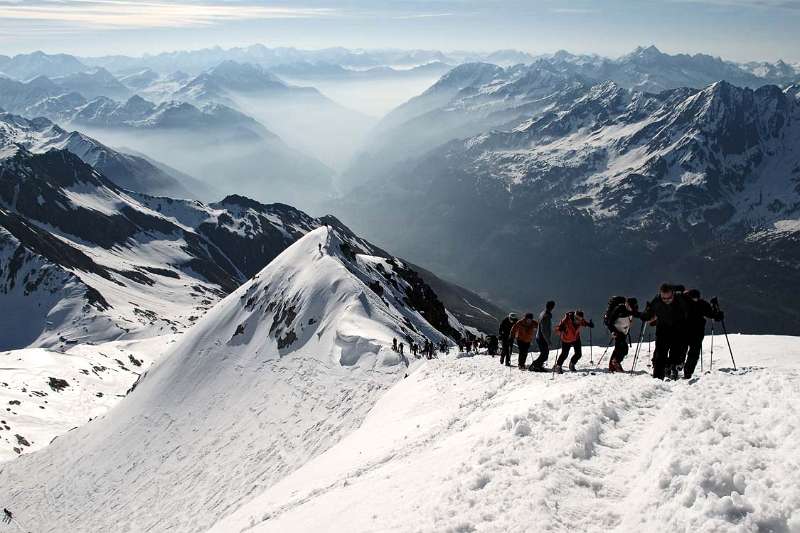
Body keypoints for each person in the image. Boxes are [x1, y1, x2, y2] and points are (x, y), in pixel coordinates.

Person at [639, 283, 689, 380]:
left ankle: (672, 370)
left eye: (668, 298)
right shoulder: (657, 300)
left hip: (678, 329)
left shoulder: (680, 299)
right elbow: (650, 312)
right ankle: (658, 377)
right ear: (660, 294)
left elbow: (689, 310)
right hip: (663, 329)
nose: (666, 300)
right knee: (660, 353)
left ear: (672, 294)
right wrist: (646, 314)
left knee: (676, 351)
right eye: (664, 298)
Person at [683, 289, 723, 379]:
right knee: (693, 352)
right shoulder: (702, 303)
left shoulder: (682, 303)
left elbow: (711, 314)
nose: (694, 299)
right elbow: (712, 314)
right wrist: (717, 313)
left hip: (686, 331)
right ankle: (687, 372)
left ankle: (682, 370)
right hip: (696, 331)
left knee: (685, 351)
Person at [605, 297, 640, 372]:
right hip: (617, 331)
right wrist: (613, 331)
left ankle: (612, 366)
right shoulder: (619, 309)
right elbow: (609, 322)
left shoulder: (632, 308)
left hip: (624, 331)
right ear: (626, 304)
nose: (631, 308)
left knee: (618, 348)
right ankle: (615, 362)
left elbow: (635, 314)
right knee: (624, 348)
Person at [530, 300, 556, 371]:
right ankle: (535, 365)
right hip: (542, 338)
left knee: (544, 353)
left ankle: (538, 365)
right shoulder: (546, 316)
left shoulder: (543, 313)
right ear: (552, 307)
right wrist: (548, 341)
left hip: (540, 337)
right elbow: (544, 330)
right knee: (545, 354)